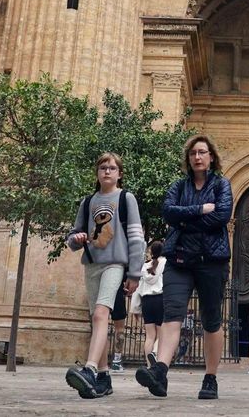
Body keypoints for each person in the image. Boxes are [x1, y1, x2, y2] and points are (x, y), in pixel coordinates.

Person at [134, 134, 233, 400]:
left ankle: (210, 377)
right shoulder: (178, 187)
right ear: (188, 159)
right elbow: (168, 212)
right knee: (172, 316)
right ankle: (161, 371)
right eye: (193, 153)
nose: (197, 157)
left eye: (202, 152)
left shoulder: (222, 185)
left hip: (211, 262)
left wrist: (184, 218)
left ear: (211, 157)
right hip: (179, 260)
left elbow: (222, 216)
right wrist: (200, 210)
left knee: (211, 321)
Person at [64, 152, 145, 399]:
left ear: (119, 173)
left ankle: (88, 369)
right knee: (95, 319)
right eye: (103, 167)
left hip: (115, 264)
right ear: (97, 173)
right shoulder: (87, 202)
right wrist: (76, 239)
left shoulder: (126, 198)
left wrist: (134, 273)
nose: (107, 171)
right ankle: (103, 375)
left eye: (112, 168)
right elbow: (74, 235)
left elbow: (136, 237)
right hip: (92, 264)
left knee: (102, 313)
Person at [136, 240, 166, 367]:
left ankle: (149, 366)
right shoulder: (165, 262)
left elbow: (140, 286)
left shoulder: (145, 266)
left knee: (149, 336)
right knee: (162, 334)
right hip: (160, 299)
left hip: (146, 301)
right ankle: (155, 355)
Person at [110, 287, 128, 371]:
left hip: (101, 293)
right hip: (118, 293)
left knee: (99, 326)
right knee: (120, 329)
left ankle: (96, 360)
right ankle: (116, 361)